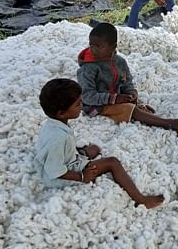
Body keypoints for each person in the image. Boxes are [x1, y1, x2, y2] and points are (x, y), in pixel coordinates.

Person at [34, 78, 165, 208]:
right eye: (77, 104)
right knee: (112, 163)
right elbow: (55, 171)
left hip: (64, 160)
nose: (81, 105)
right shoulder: (57, 138)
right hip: (59, 177)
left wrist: (78, 153)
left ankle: (78, 155)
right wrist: (82, 176)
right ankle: (140, 199)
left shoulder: (54, 125)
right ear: (61, 113)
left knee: (94, 149)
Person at [77, 22, 178, 136]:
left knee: (138, 107)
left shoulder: (120, 62)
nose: (94, 49)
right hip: (95, 107)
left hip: (115, 99)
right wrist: (114, 99)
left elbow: (126, 81)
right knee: (131, 109)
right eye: (91, 45)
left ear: (113, 46)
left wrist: (131, 92)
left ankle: (152, 119)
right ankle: (169, 124)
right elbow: (86, 96)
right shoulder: (88, 68)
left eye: (99, 46)